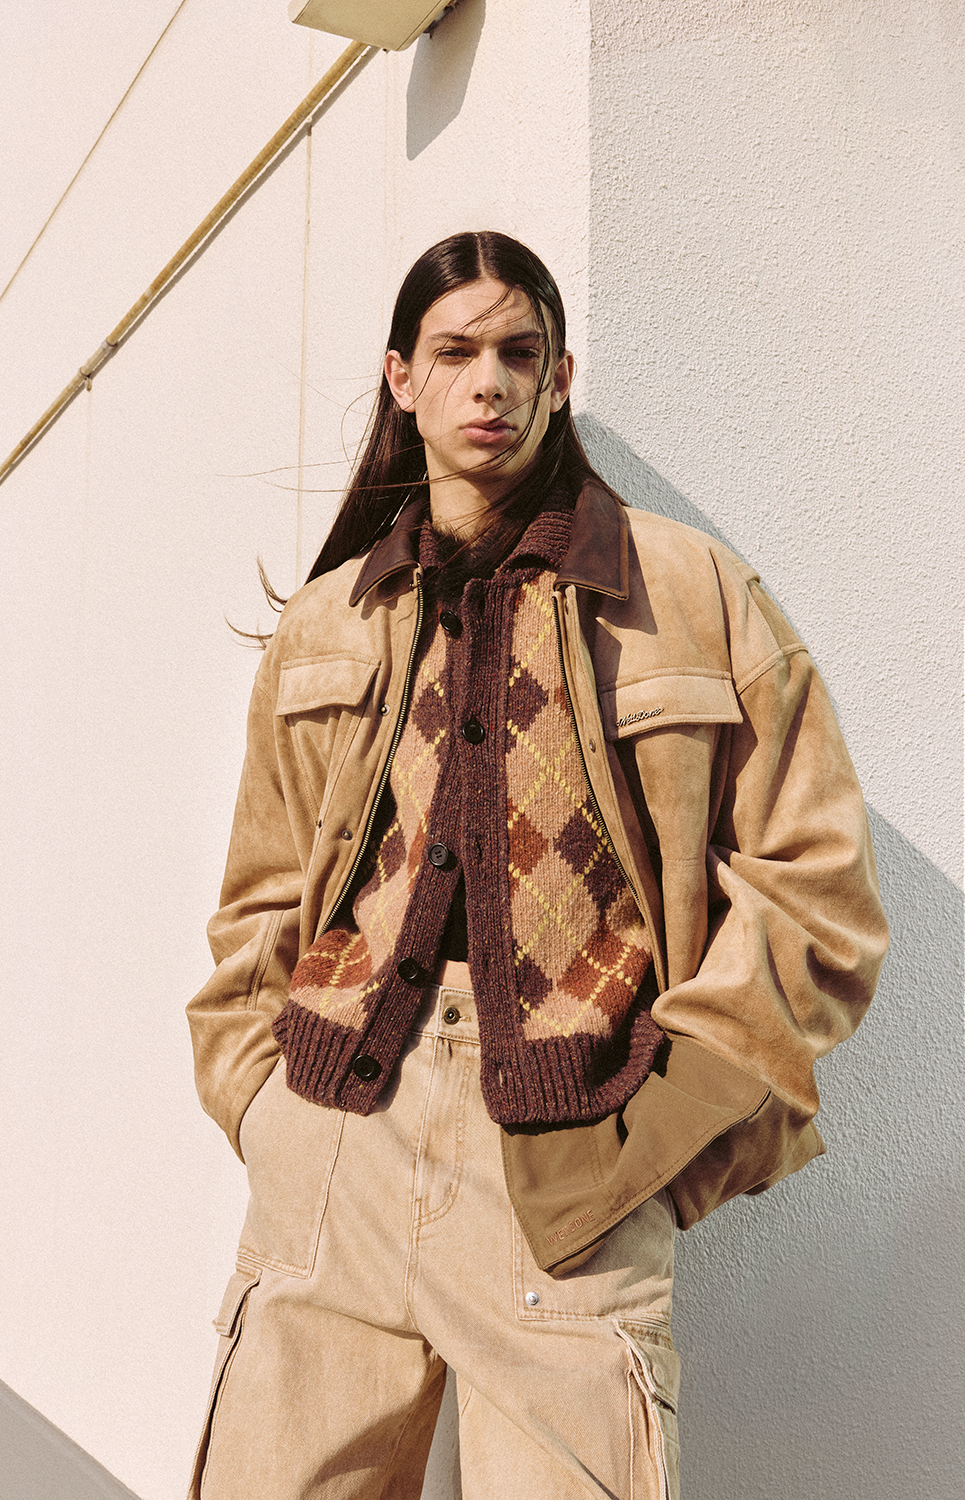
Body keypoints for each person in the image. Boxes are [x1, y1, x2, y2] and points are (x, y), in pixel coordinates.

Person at [186, 230, 888, 1500]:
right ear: (401, 378)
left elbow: (816, 890)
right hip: (335, 1147)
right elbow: (261, 894)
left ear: (560, 377)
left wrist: (668, 1130)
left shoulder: (688, 591)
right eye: (455, 352)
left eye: (519, 353)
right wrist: (261, 1106)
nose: (489, 383)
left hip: (573, 1164)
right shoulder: (333, 617)